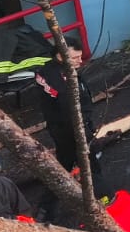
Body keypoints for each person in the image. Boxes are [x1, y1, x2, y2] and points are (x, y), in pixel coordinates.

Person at [34, 35, 101, 192]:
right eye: (75, 58)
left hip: (78, 125)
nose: (80, 61)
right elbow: (66, 104)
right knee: (82, 165)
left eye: (80, 56)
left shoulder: (68, 71)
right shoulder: (51, 75)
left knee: (81, 164)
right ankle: (50, 206)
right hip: (67, 129)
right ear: (60, 55)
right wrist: (83, 132)